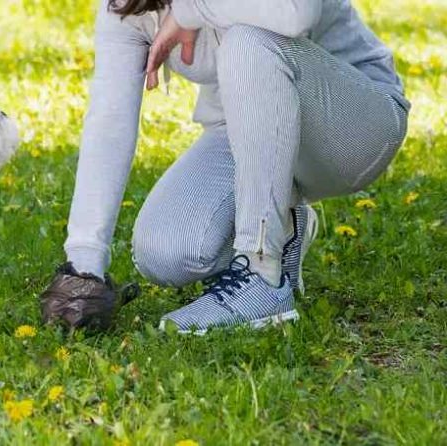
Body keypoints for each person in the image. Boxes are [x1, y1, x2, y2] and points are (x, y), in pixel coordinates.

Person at [39, 0, 409, 334]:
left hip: (355, 127)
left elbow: (298, 12)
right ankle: (285, 225)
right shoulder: (130, 9)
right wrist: (84, 264)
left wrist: (190, 11)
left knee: (247, 42)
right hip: (250, 130)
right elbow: (109, 124)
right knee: (167, 253)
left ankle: (261, 272)